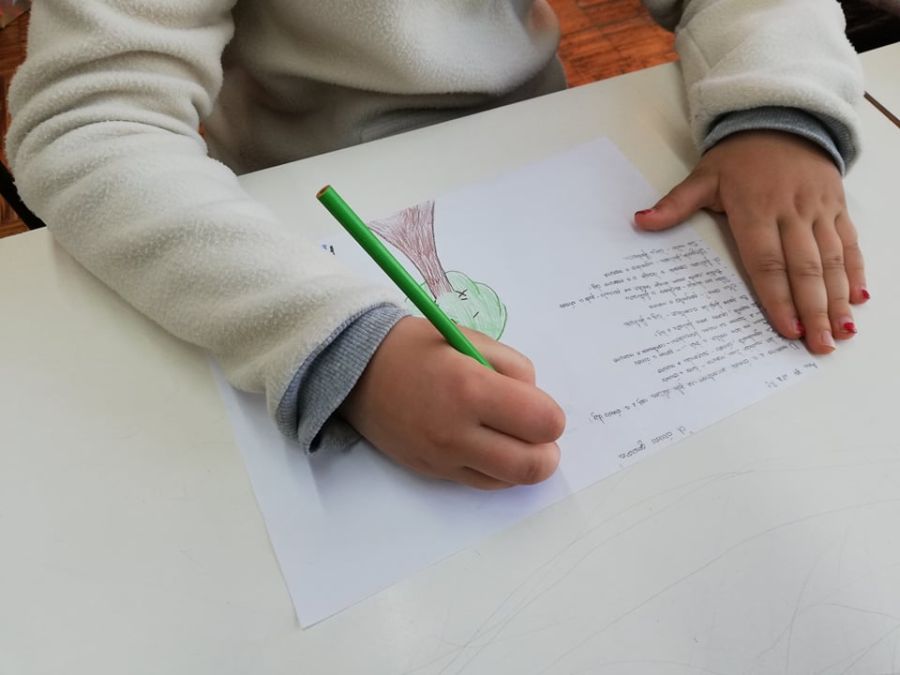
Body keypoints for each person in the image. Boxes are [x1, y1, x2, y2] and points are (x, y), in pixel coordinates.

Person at [7, 0, 867, 489]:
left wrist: (776, 109)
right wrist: (338, 345)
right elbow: (90, 122)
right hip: (292, 216)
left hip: (541, 167)